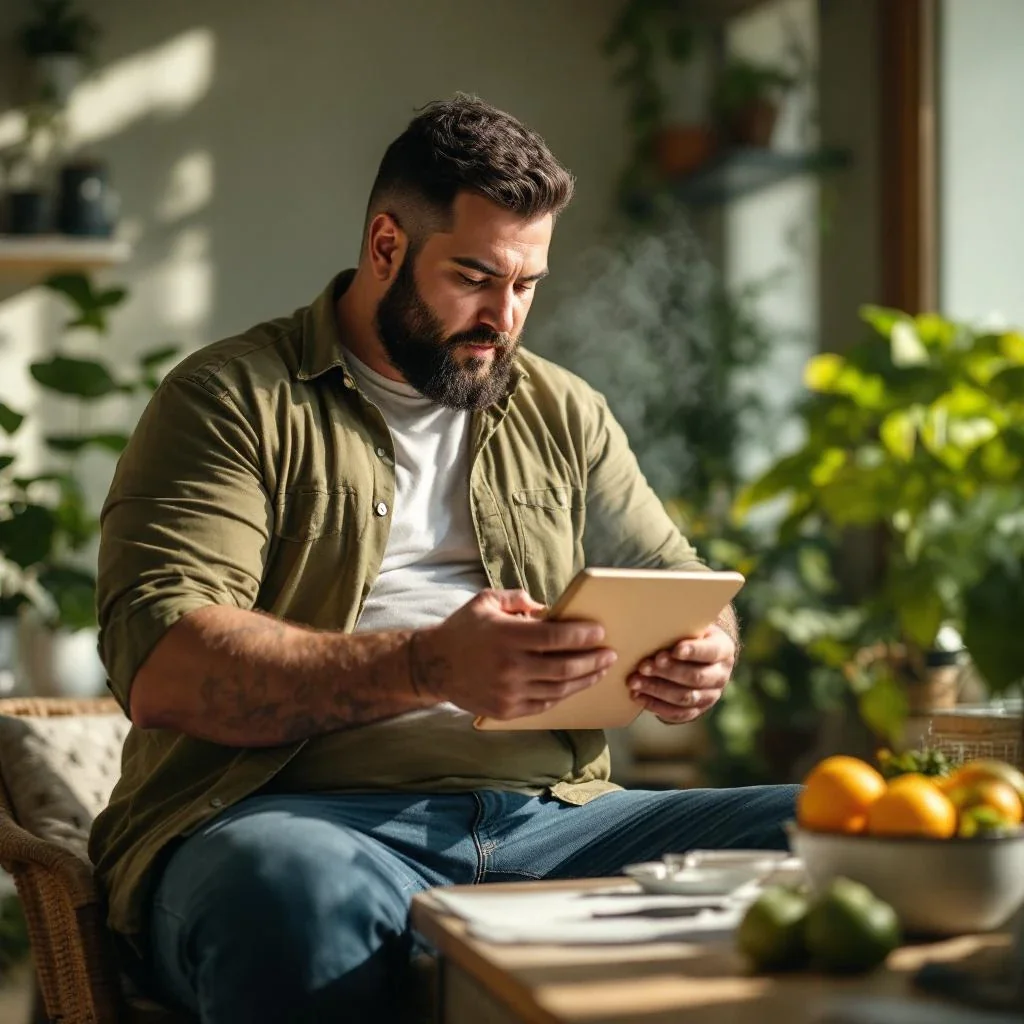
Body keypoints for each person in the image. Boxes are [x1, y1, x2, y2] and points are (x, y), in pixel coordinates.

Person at [89, 94, 798, 1023]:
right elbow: (165, 665)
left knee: (822, 832)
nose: (504, 316)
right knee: (289, 895)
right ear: (386, 245)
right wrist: (428, 665)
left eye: (528, 284)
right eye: (475, 276)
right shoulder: (231, 400)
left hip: (558, 820)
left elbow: (680, 581)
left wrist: (704, 647)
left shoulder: (562, 410)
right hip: (297, 816)